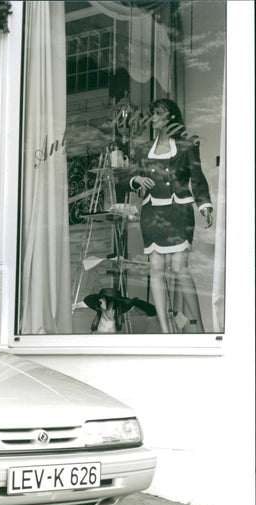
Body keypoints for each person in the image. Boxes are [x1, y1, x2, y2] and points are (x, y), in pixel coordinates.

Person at [120, 98, 213, 333]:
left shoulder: (187, 146)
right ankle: (165, 329)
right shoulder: (143, 149)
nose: (153, 119)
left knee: (180, 268)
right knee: (156, 269)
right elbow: (125, 180)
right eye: (151, 114)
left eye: (157, 114)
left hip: (179, 211)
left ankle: (200, 328)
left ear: (170, 117)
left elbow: (197, 177)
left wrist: (205, 205)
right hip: (152, 213)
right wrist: (136, 180)